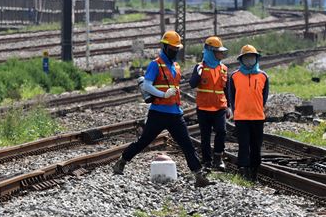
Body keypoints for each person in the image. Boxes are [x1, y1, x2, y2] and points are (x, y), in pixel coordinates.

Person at [112, 31, 212, 187]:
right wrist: (163, 94)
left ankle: (198, 176)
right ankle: (122, 160)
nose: (176, 51)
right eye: (173, 48)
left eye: (177, 48)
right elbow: (147, 85)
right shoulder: (155, 64)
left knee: (187, 144)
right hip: (158, 112)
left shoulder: (176, 66)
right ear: (165, 47)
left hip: (175, 113)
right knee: (143, 141)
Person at [227, 45, 269, 181]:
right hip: (241, 117)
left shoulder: (263, 76)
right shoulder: (234, 76)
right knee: (244, 145)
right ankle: (244, 173)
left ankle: (254, 173)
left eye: (252, 57)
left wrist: (257, 108)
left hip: (257, 117)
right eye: (247, 57)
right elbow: (231, 97)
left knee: (256, 147)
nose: (249, 60)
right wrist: (236, 111)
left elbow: (264, 96)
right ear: (241, 59)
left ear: (256, 58)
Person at [189, 36, 231, 171]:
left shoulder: (224, 68)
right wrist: (198, 74)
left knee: (221, 131)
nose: (221, 54)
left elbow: (226, 89)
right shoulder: (200, 67)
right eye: (218, 52)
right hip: (203, 108)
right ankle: (207, 161)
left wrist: (229, 106)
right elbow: (192, 84)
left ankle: (218, 159)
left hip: (219, 107)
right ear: (210, 51)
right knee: (205, 136)